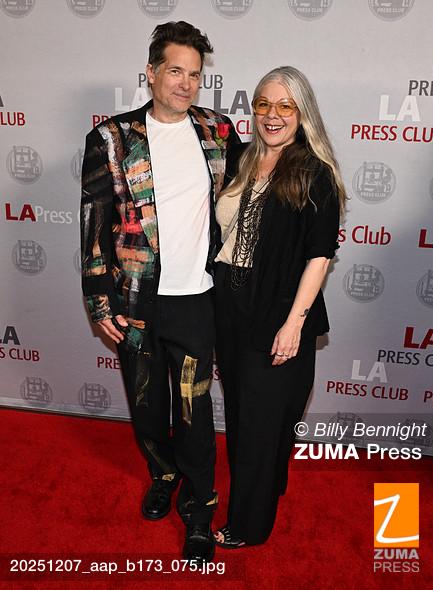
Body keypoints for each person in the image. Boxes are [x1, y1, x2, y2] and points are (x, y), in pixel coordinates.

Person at [80, 21, 240, 563]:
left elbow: (246, 198)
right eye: (175, 71)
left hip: (197, 299)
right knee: (147, 406)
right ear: (150, 73)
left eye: (194, 74)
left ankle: (199, 512)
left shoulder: (218, 132)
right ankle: (163, 474)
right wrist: (99, 300)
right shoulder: (112, 138)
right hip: (134, 302)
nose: (186, 83)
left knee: (195, 414)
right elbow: (95, 222)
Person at [213, 66, 346, 547]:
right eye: (264, 104)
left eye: (285, 106)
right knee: (243, 414)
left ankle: (248, 526)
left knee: (260, 423)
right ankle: (268, 485)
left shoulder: (314, 174)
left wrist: (294, 325)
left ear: (302, 112)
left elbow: (319, 256)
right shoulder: (240, 157)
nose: (273, 115)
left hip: (278, 312)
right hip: (228, 305)